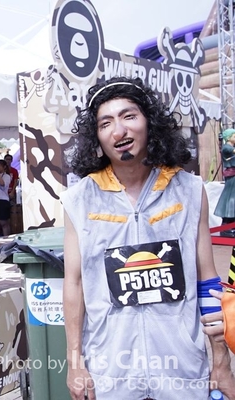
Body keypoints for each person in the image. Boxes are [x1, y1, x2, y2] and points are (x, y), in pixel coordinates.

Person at [61, 76, 235, 399]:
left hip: (181, 370)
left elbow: (207, 279)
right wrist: (75, 362)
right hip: (112, 372)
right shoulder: (79, 200)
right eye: (106, 123)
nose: (119, 131)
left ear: (149, 122)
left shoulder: (189, 190)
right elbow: (74, 283)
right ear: (96, 137)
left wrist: (221, 361)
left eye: (129, 116)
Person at [214, 128, 235, 237]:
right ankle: (227, 226)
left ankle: (231, 225)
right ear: (229, 137)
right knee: (230, 198)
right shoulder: (227, 147)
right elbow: (229, 151)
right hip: (232, 177)